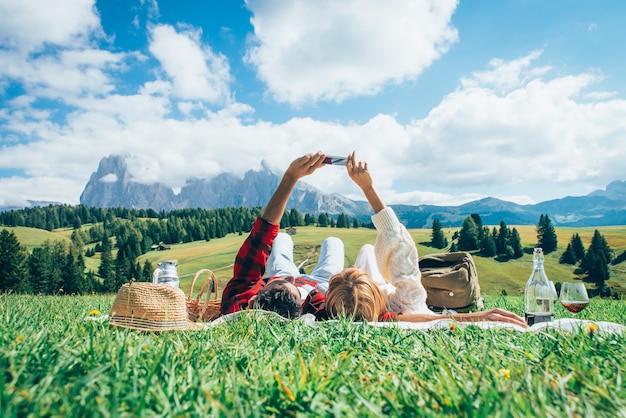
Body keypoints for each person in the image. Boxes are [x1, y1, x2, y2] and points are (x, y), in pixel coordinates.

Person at [324, 151, 527, 327]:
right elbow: (399, 244)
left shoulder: (394, 309)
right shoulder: (405, 304)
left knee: (368, 250)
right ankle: (370, 280)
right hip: (375, 291)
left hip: (362, 295)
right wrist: (368, 188)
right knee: (368, 249)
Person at [220, 151, 335, 318]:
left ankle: (285, 283)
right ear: (302, 309)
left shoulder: (239, 301)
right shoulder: (318, 308)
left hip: (284, 277)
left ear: (252, 300)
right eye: (291, 283)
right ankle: (288, 285)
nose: (291, 277)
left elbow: (261, 237)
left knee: (282, 237)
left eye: (282, 282)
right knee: (333, 242)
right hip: (321, 282)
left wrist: (290, 177)